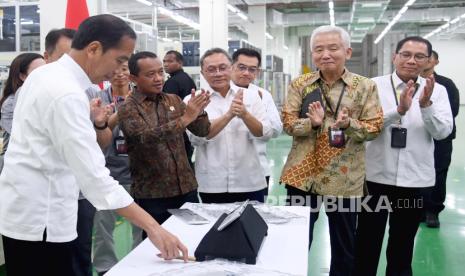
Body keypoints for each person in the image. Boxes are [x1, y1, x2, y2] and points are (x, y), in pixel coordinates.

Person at [0, 14, 188, 276]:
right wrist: (154, 228)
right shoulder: (65, 92)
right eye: (120, 60)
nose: (121, 70)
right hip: (42, 220)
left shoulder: (47, 75)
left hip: (32, 211)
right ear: (94, 49)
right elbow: (95, 177)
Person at [279, 25, 383, 276]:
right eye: (319, 49)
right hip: (303, 176)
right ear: (312, 55)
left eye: (333, 48)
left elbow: (375, 127)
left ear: (347, 51)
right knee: (297, 240)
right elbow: (287, 123)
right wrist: (311, 123)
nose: (325, 54)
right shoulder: (300, 84)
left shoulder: (364, 86)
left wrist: (349, 125)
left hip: (345, 177)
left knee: (344, 244)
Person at [353, 36, 453, 276]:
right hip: (375, 179)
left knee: (403, 245)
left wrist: (426, 106)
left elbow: (443, 133)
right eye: (406, 54)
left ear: (429, 61)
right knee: (366, 242)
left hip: (414, 182)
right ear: (394, 56)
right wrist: (397, 112)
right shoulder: (371, 86)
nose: (411, 60)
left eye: (419, 56)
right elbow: (360, 127)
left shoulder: (437, 91)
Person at [43, 27, 113, 276]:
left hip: (82, 192)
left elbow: (102, 142)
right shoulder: (46, 90)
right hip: (48, 195)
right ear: (47, 56)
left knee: (81, 250)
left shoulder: (92, 91)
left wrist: (99, 122)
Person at [118, 51, 210, 230]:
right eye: (150, 74)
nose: (158, 78)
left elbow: (202, 130)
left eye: (161, 72)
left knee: (192, 235)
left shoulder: (173, 99)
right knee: (156, 248)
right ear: (133, 78)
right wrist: (185, 119)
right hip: (153, 194)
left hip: (186, 187)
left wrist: (199, 111)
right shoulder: (128, 108)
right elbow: (144, 138)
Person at [186, 48, 272, 204]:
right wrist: (229, 115)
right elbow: (196, 139)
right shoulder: (193, 101)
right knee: (217, 228)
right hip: (212, 183)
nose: (218, 73)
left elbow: (265, 134)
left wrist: (245, 115)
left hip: (249, 180)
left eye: (222, 68)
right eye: (211, 69)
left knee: (253, 227)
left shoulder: (251, 96)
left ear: (231, 68)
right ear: (203, 73)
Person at [92, 60, 142, 276]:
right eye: (114, 70)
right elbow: (97, 135)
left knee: (140, 226)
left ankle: (138, 266)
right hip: (106, 171)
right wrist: (116, 114)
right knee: (103, 227)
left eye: (124, 70)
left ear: (131, 74)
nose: (119, 74)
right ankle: (105, 268)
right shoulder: (98, 99)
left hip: (137, 171)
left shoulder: (142, 97)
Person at [230, 48, 282, 191]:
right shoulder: (218, 93)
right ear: (231, 66)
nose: (246, 73)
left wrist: (257, 114)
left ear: (257, 72)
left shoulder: (263, 95)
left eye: (252, 69)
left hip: (258, 170)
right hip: (223, 174)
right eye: (241, 67)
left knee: (256, 213)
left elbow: (277, 129)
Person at [420, 50, 460, 228]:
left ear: (436, 61)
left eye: (429, 57)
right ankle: (418, 209)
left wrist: (429, 113)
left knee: (438, 172)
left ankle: (433, 211)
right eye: (423, 57)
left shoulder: (446, 85)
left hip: (441, 138)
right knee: (417, 171)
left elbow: (452, 112)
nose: (426, 60)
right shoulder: (410, 83)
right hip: (417, 136)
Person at [0, 53, 45, 157]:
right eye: (38, 71)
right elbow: (22, 134)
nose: (45, 74)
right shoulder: (11, 102)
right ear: (22, 76)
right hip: (17, 161)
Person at [163, 50, 197, 168]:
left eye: (170, 61)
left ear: (180, 63)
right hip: (188, 126)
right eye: (164, 61)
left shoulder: (172, 82)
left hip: (177, 128)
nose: (166, 64)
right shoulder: (187, 78)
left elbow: (167, 107)